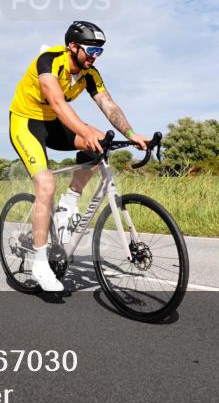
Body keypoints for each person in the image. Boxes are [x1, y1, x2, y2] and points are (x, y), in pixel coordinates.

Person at [8, 21, 149, 291]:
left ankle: (69, 202)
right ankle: (40, 263)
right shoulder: (50, 60)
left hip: (54, 124)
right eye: (91, 50)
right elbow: (58, 103)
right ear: (73, 46)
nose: (95, 56)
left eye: (100, 51)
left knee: (99, 142)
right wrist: (84, 131)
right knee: (46, 185)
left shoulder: (89, 74)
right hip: (26, 124)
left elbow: (108, 104)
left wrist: (131, 133)